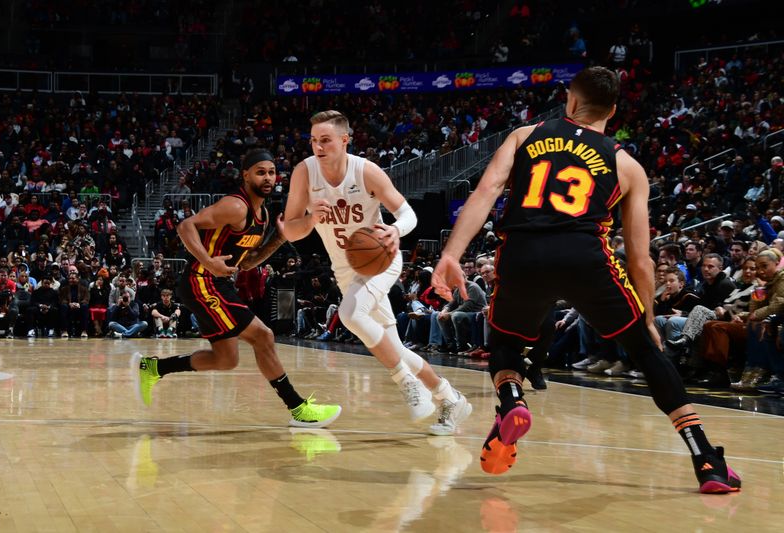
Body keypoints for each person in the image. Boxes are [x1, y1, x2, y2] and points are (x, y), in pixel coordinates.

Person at [432, 67, 741, 493]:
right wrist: (647, 317)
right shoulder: (626, 164)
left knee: (505, 340)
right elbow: (639, 256)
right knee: (646, 352)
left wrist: (451, 254)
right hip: (586, 257)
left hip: (523, 254)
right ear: (612, 111)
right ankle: (706, 458)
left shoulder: (524, 136)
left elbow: (485, 192)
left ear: (570, 101)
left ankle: (510, 401)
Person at [281, 110, 471, 436]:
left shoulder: (365, 171)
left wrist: (396, 231)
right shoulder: (304, 173)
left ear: (344, 140)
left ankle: (407, 384)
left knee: (351, 314)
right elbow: (291, 231)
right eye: (313, 140)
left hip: (381, 259)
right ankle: (449, 397)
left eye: (325, 140)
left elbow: (407, 213)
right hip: (346, 271)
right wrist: (310, 221)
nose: (318, 146)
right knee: (393, 348)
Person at [133, 148, 341, 429]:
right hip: (201, 280)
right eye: (260, 172)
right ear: (245, 175)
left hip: (216, 282)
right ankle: (298, 408)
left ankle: (153, 368)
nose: (268, 178)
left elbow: (248, 263)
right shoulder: (236, 206)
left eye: (271, 172)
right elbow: (186, 226)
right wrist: (208, 261)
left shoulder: (262, 215)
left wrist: (278, 239)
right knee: (263, 337)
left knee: (226, 358)